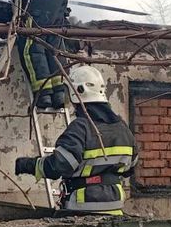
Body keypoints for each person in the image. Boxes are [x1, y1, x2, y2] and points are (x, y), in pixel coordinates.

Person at [13, 65, 137, 215]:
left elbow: (59, 165)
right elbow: (131, 167)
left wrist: (28, 165)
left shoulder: (81, 127)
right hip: (115, 210)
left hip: (82, 211)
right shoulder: (122, 128)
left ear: (76, 92)